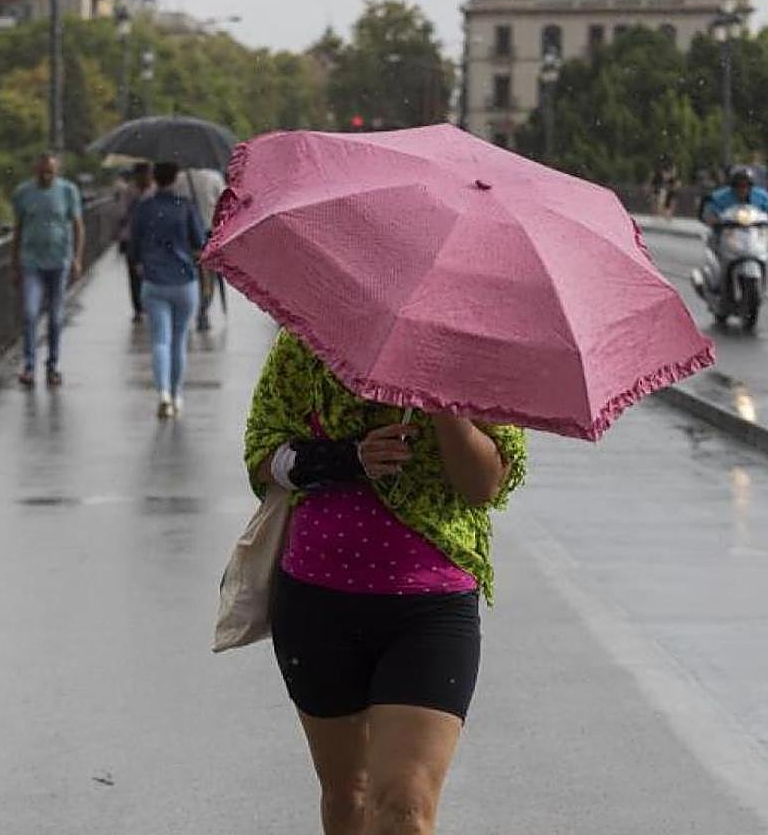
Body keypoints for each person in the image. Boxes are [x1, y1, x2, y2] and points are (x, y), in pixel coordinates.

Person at [244, 330, 527, 835]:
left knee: (405, 807)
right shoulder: (309, 339)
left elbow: (484, 484)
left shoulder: (480, 352)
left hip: (432, 607)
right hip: (317, 599)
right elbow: (263, 453)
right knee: (348, 792)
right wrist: (348, 459)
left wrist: (442, 403)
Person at [130, 161, 207, 418]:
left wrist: (141, 263)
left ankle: (162, 392)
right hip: (184, 281)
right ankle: (176, 395)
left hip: (153, 282)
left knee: (160, 341)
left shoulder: (144, 207)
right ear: (175, 179)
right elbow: (200, 243)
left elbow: (133, 244)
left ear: (155, 178)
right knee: (179, 340)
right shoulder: (185, 206)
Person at [12, 153, 84, 388]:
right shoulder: (23, 193)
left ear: (57, 171)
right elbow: (17, 230)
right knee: (30, 313)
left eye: (50, 172)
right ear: (36, 170)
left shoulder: (67, 191)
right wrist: (13, 264)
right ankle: (29, 366)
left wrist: (77, 258)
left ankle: (52, 365)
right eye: (42, 172)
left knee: (55, 317)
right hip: (31, 261)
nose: (46, 176)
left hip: (59, 261)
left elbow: (78, 226)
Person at [173, 167, 227, 331]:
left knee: (186, 274)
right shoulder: (215, 178)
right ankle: (203, 311)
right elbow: (226, 205)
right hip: (209, 233)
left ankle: (186, 309)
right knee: (208, 277)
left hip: (185, 235)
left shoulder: (178, 179)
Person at [117, 162, 154, 323]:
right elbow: (121, 213)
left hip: (152, 238)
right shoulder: (128, 191)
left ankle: (149, 304)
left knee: (151, 273)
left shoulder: (155, 190)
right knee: (134, 276)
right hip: (132, 238)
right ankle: (138, 309)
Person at [701, 166, 768, 226]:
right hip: (728, 234)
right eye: (738, 185)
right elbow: (710, 210)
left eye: (746, 185)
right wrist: (712, 219)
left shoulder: (762, 196)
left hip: (754, 235)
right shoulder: (720, 196)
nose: (742, 189)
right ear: (732, 186)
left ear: (751, 186)